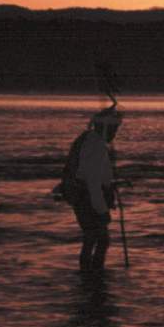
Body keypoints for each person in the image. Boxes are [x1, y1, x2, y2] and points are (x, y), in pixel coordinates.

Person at [61, 105, 123, 273]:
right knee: (99, 239)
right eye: (114, 130)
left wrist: (111, 185)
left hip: (84, 196)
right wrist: (102, 209)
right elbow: (92, 182)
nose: (115, 134)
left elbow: (94, 176)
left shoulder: (90, 140)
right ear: (105, 128)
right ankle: (93, 275)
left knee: (92, 239)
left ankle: (89, 277)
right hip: (87, 199)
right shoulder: (95, 146)